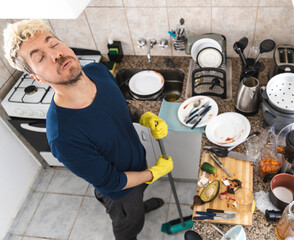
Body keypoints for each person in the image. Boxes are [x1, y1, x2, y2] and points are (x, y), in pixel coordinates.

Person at [3, 19, 173, 240]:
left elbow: (119, 105)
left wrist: (143, 117)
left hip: (136, 163)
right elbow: (114, 182)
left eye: (53, 44)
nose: (56, 55)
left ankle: (140, 204)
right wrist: (152, 174)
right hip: (120, 192)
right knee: (129, 225)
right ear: (37, 78)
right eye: (40, 57)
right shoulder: (63, 136)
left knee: (138, 197)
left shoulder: (97, 71)